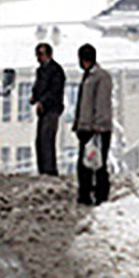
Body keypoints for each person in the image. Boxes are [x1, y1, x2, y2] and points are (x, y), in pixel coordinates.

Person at [72, 43, 113, 205]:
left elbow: (101, 102)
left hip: (97, 129)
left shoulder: (101, 77)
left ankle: (100, 194)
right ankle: (85, 193)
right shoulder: (88, 77)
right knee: (85, 164)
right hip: (85, 127)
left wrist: (98, 124)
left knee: (97, 163)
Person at [30, 42, 65, 176]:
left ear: (49, 55)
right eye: (37, 55)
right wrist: (34, 97)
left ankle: (49, 170)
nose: (39, 58)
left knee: (47, 138)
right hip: (43, 110)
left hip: (52, 109)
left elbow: (55, 90)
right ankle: (42, 169)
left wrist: (43, 101)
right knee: (40, 140)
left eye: (41, 55)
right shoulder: (41, 70)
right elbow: (38, 86)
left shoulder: (56, 70)